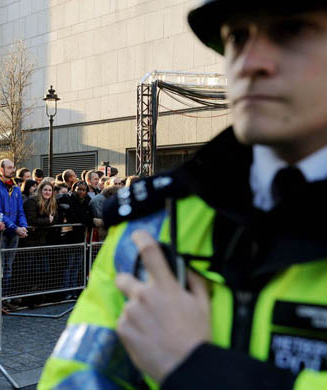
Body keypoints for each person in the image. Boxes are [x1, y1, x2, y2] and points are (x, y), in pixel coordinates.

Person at [40, 2, 327, 390]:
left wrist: (198, 370)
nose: (248, 62)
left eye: (292, 29)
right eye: (237, 37)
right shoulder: (153, 222)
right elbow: (72, 378)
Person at [0, 159, 28, 310]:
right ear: (1, 170)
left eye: (13, 167)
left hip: (15, 232)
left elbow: (20, 211)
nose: (13, 170)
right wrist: (14, 227)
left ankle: (4, 298)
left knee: (9, 266)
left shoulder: (16, 188)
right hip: (2, 232)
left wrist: (23, 226)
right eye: (9, 167)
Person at [22, 178, 58, 247]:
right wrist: (48, 220)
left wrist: (46, 222)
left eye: (50, 190)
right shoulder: (32, 201)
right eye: (45, 190)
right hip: (31, 238)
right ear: (40, 190)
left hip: (44, 238)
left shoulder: (52, 203)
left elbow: (55, 219)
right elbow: (31, 220)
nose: (47, 192)